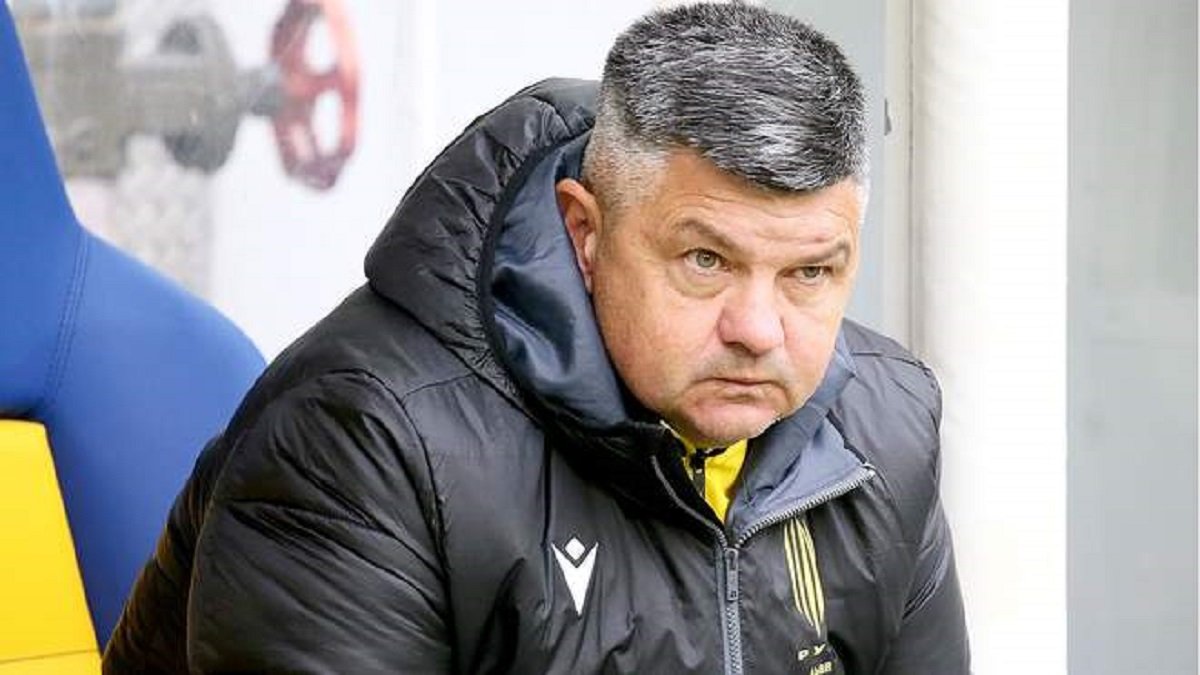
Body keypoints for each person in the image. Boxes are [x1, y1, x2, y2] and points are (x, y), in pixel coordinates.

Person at [103, 3, 969, 673]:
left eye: (810, 272)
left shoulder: (885, 428)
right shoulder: (366, 441)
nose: (757, 330)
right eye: (705, 260)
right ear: (585, 232)